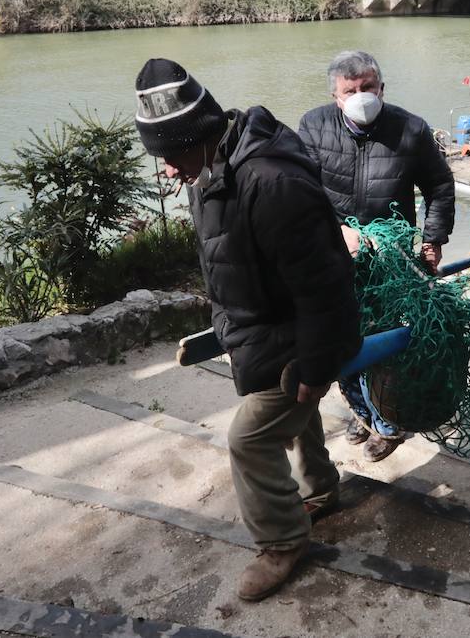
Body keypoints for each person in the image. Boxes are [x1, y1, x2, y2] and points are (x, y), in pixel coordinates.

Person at [133, 58, 361, 602]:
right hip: (260, 332)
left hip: (301, 335)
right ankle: (321, 490)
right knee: (294, 413)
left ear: (197, 137)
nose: (166, 170)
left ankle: (283, 542)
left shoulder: (271, 182)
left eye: (168, 155)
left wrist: (314, 362)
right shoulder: (212, 166)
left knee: (250, 438)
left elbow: (326, 285)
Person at [298, 50, 455, 462]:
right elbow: (300, 192)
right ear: (335, 96)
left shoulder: (410, 129)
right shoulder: (313, 127)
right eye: (350, 91)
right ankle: (363, 412)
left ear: (381, 88)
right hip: (335, 253)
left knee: (382, 338)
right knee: (339, 338)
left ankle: (388, 422)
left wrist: (433, 238)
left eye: (368, 88)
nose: (360, 96)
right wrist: (337, 231)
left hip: (393, 256)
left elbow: (439, 185)